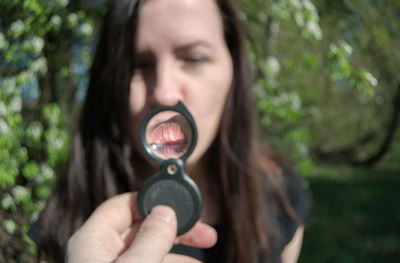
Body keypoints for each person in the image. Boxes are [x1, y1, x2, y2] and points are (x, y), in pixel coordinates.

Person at [35, 0, 311, 262]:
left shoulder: (281, 195)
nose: (164, 94)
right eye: (139, 65)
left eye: (194, 58)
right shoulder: (68, 224)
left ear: (235, 71)